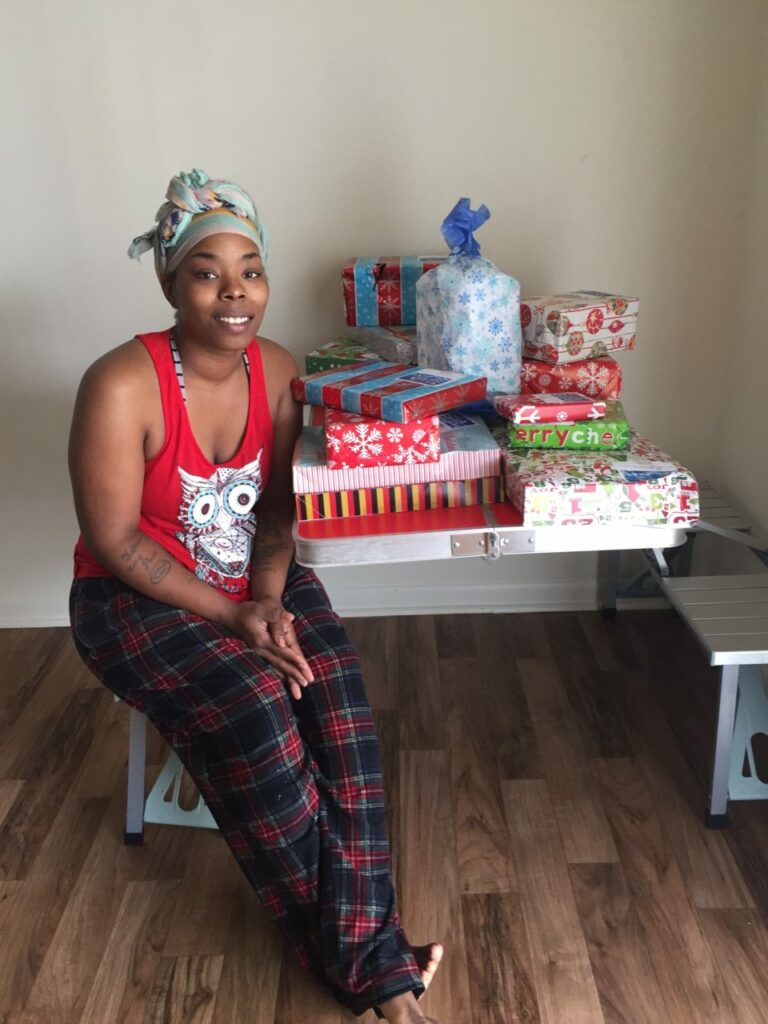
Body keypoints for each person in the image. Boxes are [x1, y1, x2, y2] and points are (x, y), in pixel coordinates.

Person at [67, 169, 445, 1023]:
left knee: (336, 700)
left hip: (251, 577)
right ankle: (384, 977)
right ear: (170, 282)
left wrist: (267, 600)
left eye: (251, 270)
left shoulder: (276, 369)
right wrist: (237, 618)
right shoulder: (120, 383)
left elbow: (275, 509)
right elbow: (116, 541)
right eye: (208, 272)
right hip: (131, 601)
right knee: (258, 709)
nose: (235, 292)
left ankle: (368, 963)